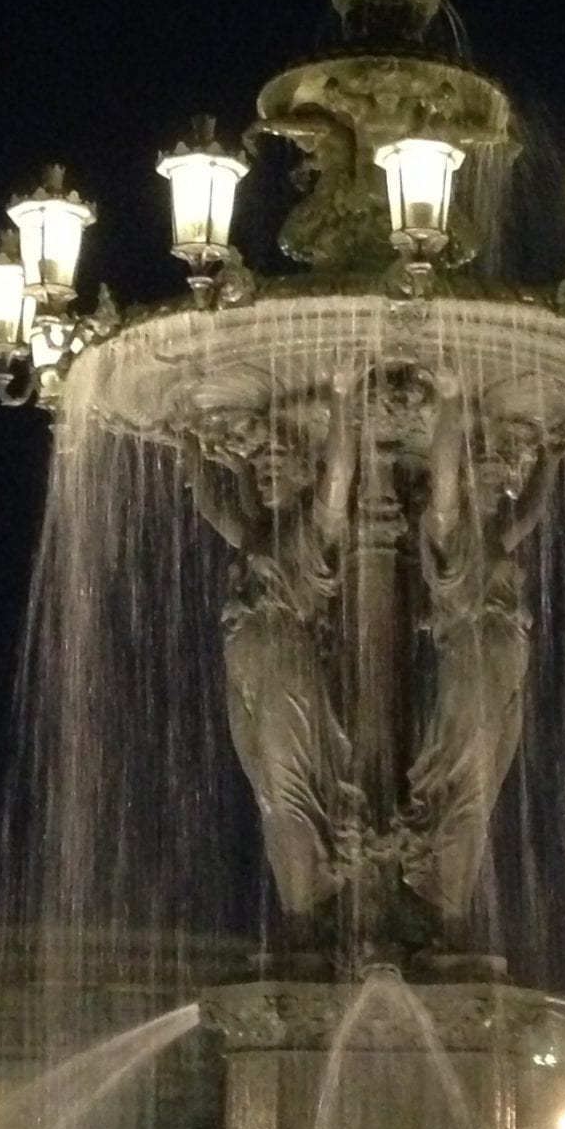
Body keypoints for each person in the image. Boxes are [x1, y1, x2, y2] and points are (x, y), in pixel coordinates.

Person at [183, 372, 364, 915]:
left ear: (305, 473)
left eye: (277, 468)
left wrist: (341, 398)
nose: (265, 477)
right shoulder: (258, 535)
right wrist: (187, 440)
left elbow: (340, 476)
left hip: (286, 662)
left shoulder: (314, 532)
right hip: (245, 665)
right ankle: (302, 905)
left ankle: (310, 909)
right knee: (267, 789)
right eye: (260, 470)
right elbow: (214, 508)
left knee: (289, 787)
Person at [404, 372, 557, 925]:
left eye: (503, 479)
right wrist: (447, 400)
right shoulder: (450, 534)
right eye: (488, 478)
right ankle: (432, 894)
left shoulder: (494, 541)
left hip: (504, 669)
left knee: (482, 786)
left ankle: (442, 892)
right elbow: (442, 477)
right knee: (461, 782)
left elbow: (531, 511)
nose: (500, 485)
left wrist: (550, 458)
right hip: (473, 666)